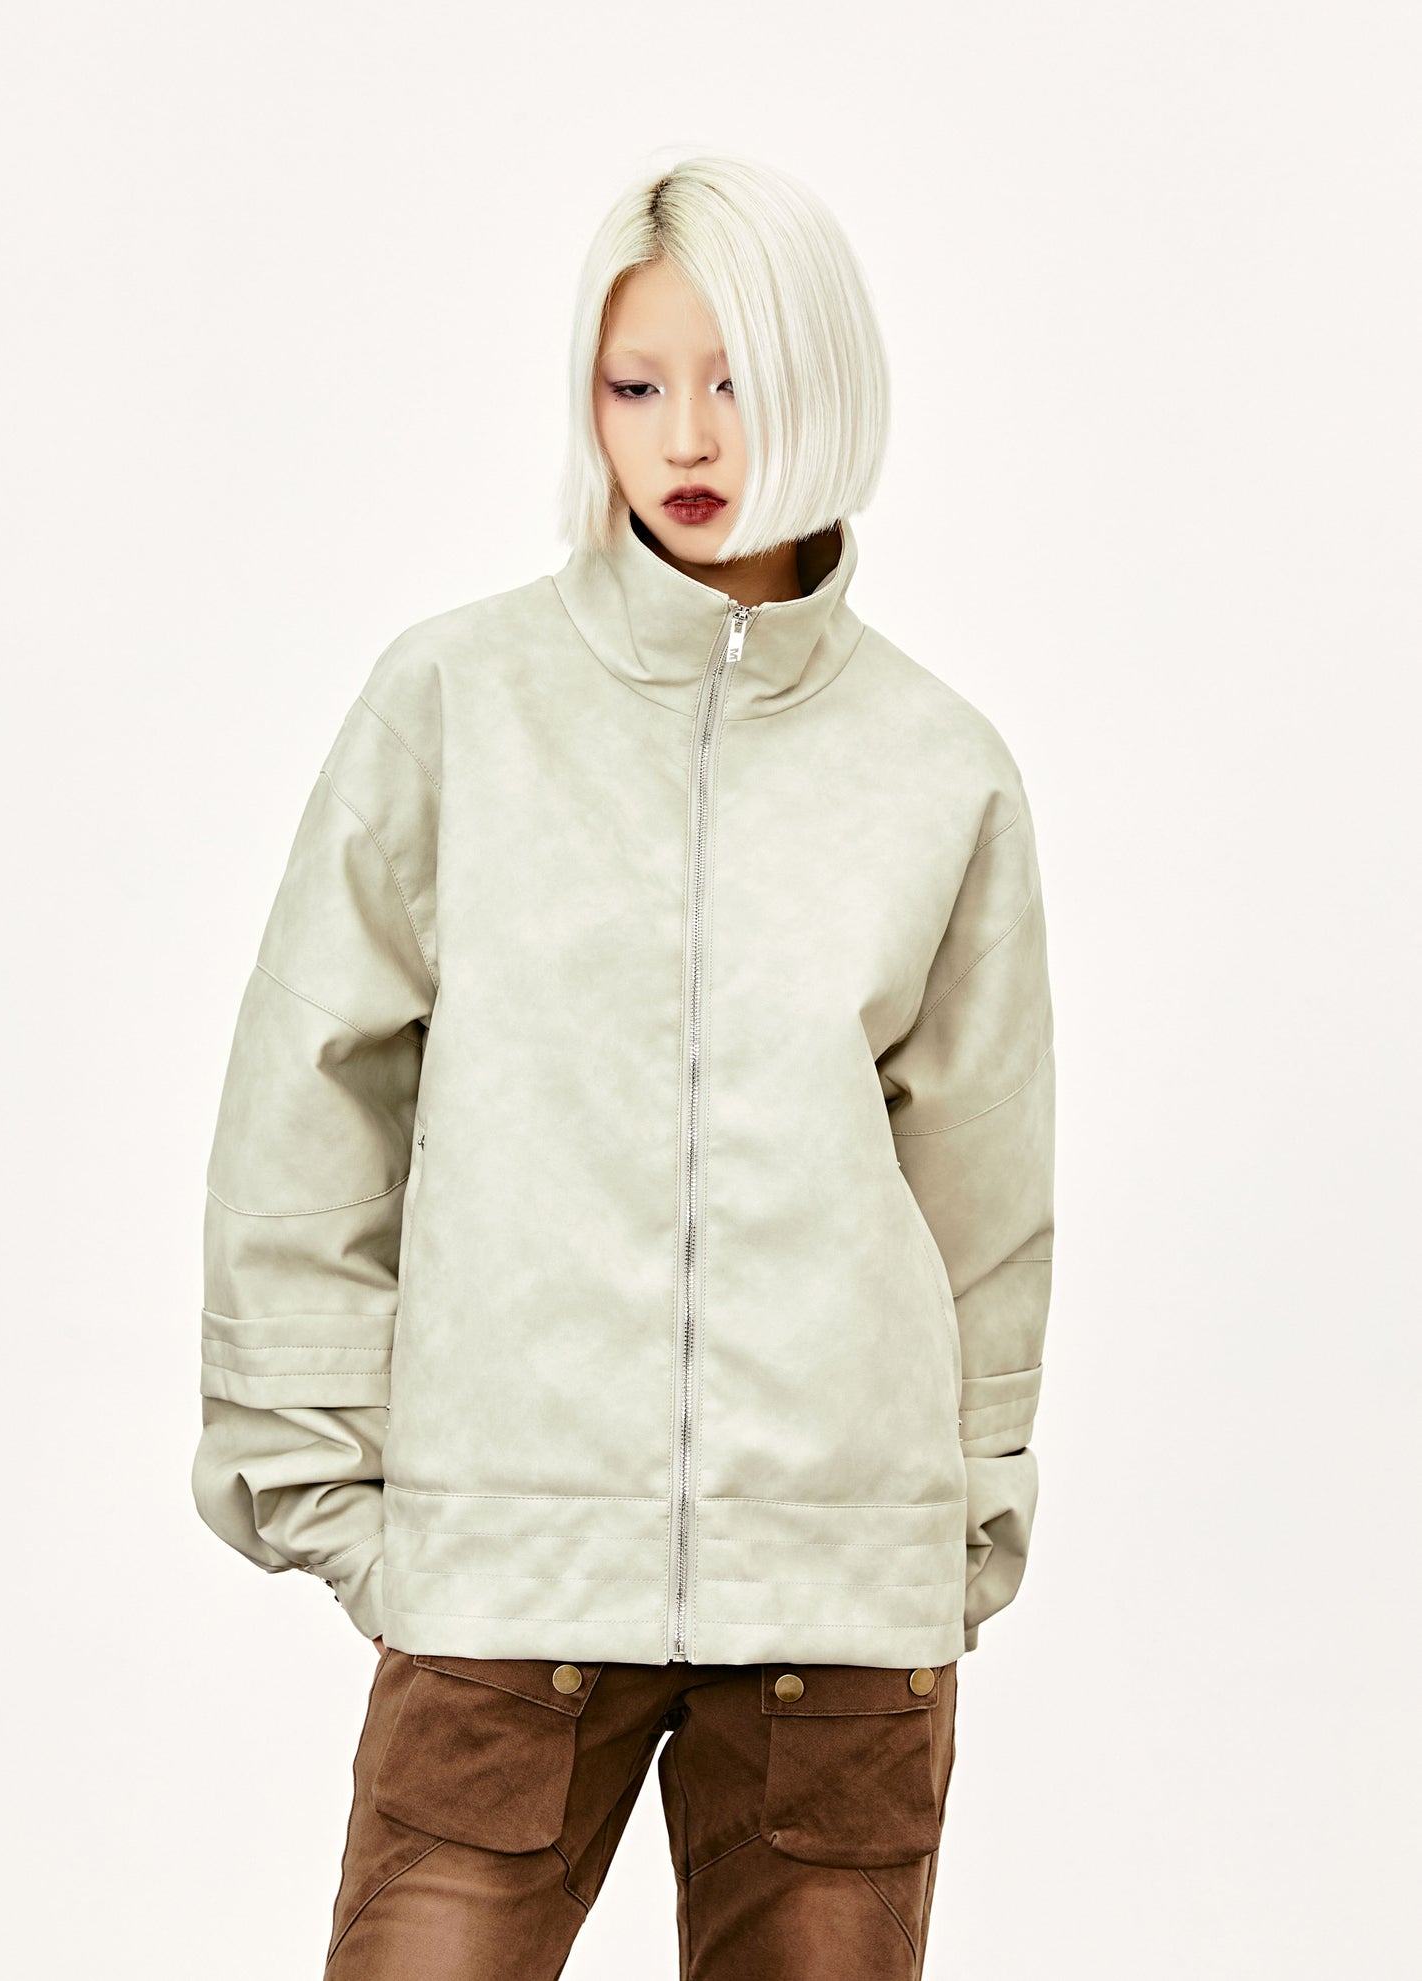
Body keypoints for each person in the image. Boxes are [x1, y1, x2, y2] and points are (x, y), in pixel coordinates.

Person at [192, 151, 1057, 1979]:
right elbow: (313, 1091)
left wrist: (958, 1512)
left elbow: (979, 1187)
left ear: (826, 382)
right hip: (505, 1587)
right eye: (635, 382)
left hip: (837, 1611)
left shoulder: (939, 768)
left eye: (735, 378)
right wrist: (326, 1479)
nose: (686, 436)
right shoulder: (458, 701)